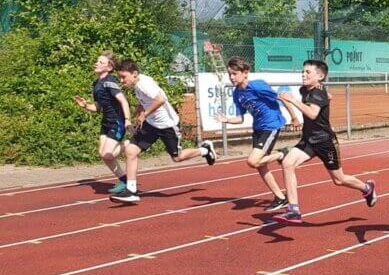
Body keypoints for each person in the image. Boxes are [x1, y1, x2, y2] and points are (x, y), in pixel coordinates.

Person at [270, 60, 376, 225]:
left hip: (325, 142)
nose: (303, 74)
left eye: (308, 72)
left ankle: (367, 188)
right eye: (303, 71)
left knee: (339, 180)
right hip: (308, 140)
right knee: (288, 163)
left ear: (320, 76)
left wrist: (293, 100)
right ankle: (293, 210)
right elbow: (326, 97)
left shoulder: (318, 92)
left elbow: (313, 114)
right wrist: (326, 98)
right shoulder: (305, 89)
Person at [110, 59, 216, 204]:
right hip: (151, 125)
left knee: (177, 157)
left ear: (134, 74)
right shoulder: (138, 84)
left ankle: (205, 150)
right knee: (131, 151)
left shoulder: (143, 84)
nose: (122, 81)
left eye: (123, 77)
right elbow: (146, 100)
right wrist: (139, 110)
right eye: (120, 77)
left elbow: (160, 100)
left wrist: (145, 113)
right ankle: (131, 191)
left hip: (167, 125)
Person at [213, 57, 300, 212]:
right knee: (260, 165)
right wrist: (226, 120)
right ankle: (280, 198)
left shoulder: (257, 86)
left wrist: (294, 117)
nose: (231, 77)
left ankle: (282, 154)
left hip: (271, 125)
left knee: (253, 161)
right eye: (229, 74)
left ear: (245, 73)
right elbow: (240, 119)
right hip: (258, 128)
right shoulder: (237, 93)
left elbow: (282, 98)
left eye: (235, 74)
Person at [74, 52, 132, 194]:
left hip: (117, 122)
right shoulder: (96, 84)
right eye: (97, 61)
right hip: (106, 122)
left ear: (109, 67)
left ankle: (131, 143)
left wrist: (127, 120)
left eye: (101, 62)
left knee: (107, 155)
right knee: (103, 154)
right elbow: (97, 108)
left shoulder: (109, 81)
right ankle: (124, 180)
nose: (96, 63)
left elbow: (123, 101)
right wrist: (85, 106)